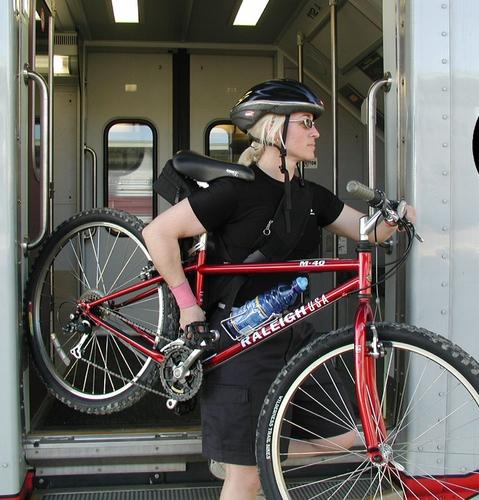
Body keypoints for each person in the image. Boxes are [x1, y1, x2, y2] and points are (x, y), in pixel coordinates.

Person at [142, 79, 416, 500]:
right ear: (274, 129)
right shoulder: (235, 190)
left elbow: (368, 231)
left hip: (295, 336)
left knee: (348, 436)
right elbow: (158, 232)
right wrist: (187, 307)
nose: (316, 132)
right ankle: (245, 458)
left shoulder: (311, 196)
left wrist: (399, 216)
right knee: (248, 479)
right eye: (306, 122)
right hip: (241, 341)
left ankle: (252, 451)